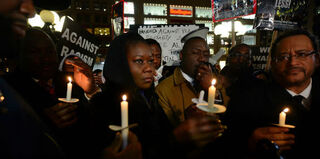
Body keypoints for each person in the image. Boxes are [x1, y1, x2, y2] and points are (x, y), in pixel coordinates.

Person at [91, 31, 224, 159]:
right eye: (139, 61)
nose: (149, 68)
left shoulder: (149, 98)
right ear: (120, 64)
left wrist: (186, 122)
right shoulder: (102, 106)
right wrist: (176, 138)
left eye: (150, 61)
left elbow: (160, 138)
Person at [224, 29, 320, 159]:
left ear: (317, 59)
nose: (292, 63)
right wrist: (250, 143)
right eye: (283, 57)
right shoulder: (245, 100)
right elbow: (225, 146)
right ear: (273, 63)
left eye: (302, 54)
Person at [0, 1, 71, 159]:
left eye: (49, 51)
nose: (31, 12)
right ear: (21, 56)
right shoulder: (12, 88)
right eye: (35, 52)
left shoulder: (72, 85)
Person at [155, 27, 222, 127]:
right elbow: (165, 132)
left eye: (206, 54)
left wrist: (212, 91)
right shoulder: (164, 89)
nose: (202, 58)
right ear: (181, 55)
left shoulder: (217, 81)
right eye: (195, 53)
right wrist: (186, 120)